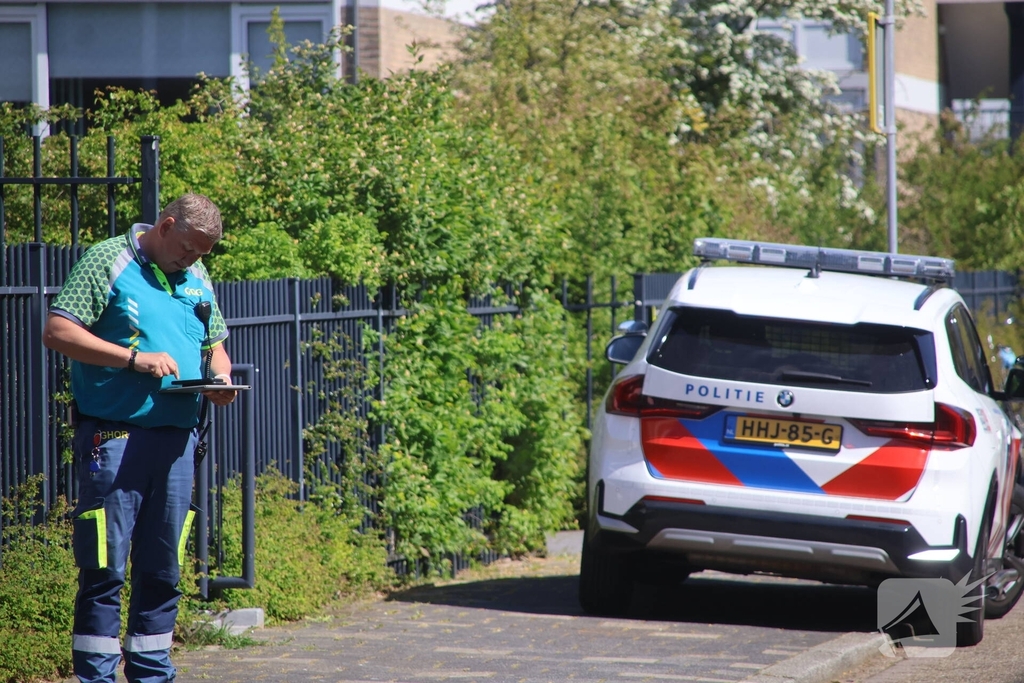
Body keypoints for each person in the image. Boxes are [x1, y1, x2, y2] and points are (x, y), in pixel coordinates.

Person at [43, 193, 238, 683]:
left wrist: (220, 381)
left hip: (177, 443)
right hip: (114, 439)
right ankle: (97, 675)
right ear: (166, 225)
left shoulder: (196, 277)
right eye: (189, 248)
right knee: (105, 565)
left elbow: (215, 347)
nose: (192, 260)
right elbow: (57, 331)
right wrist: (133, 360)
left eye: (202, 254)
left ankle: (153, 673)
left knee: (164, 567)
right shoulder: (108, 259)